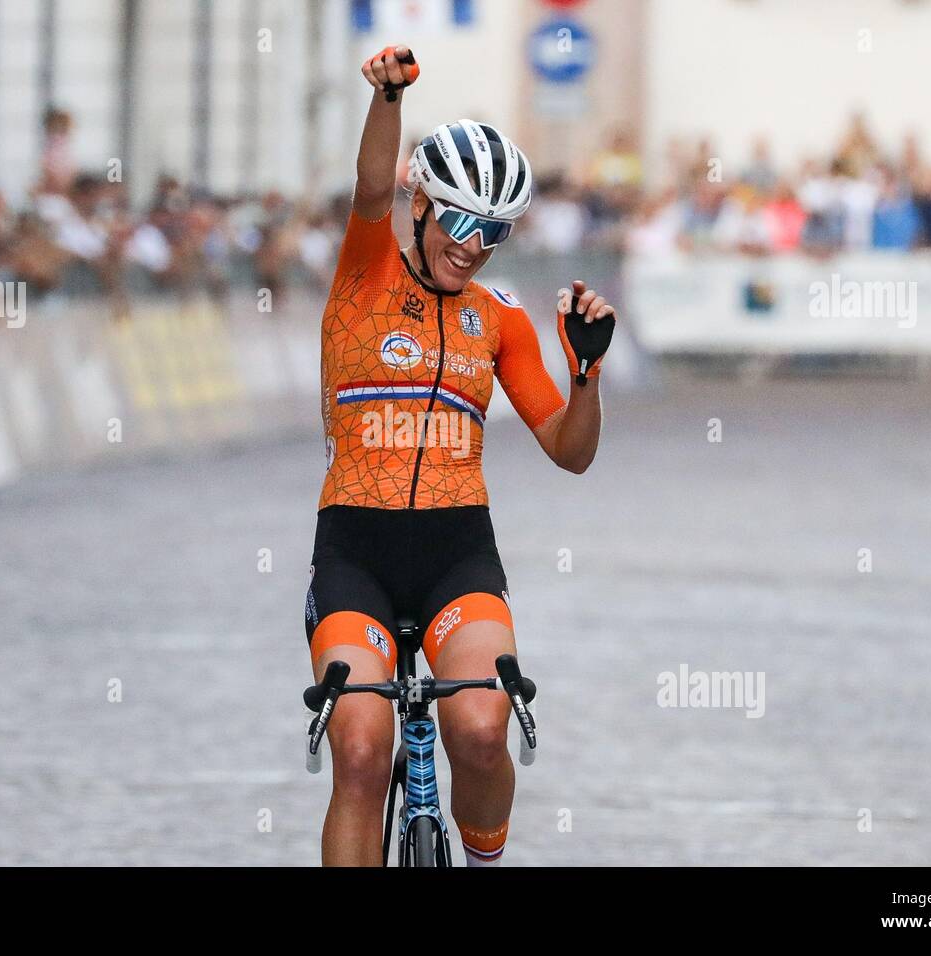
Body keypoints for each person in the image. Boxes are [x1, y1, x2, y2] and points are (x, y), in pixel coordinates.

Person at [303, 45, 616, 867]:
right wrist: (390, 99)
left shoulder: (500, 317)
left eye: (497, 230)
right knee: (363, 755)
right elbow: (371, 183)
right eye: (462, 221)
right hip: (356, 555)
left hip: (457, 556)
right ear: (421, 206)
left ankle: (482, 861)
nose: (475, 245)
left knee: (481, 729)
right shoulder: (364, 274)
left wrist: (585, 374)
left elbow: (570, 453)